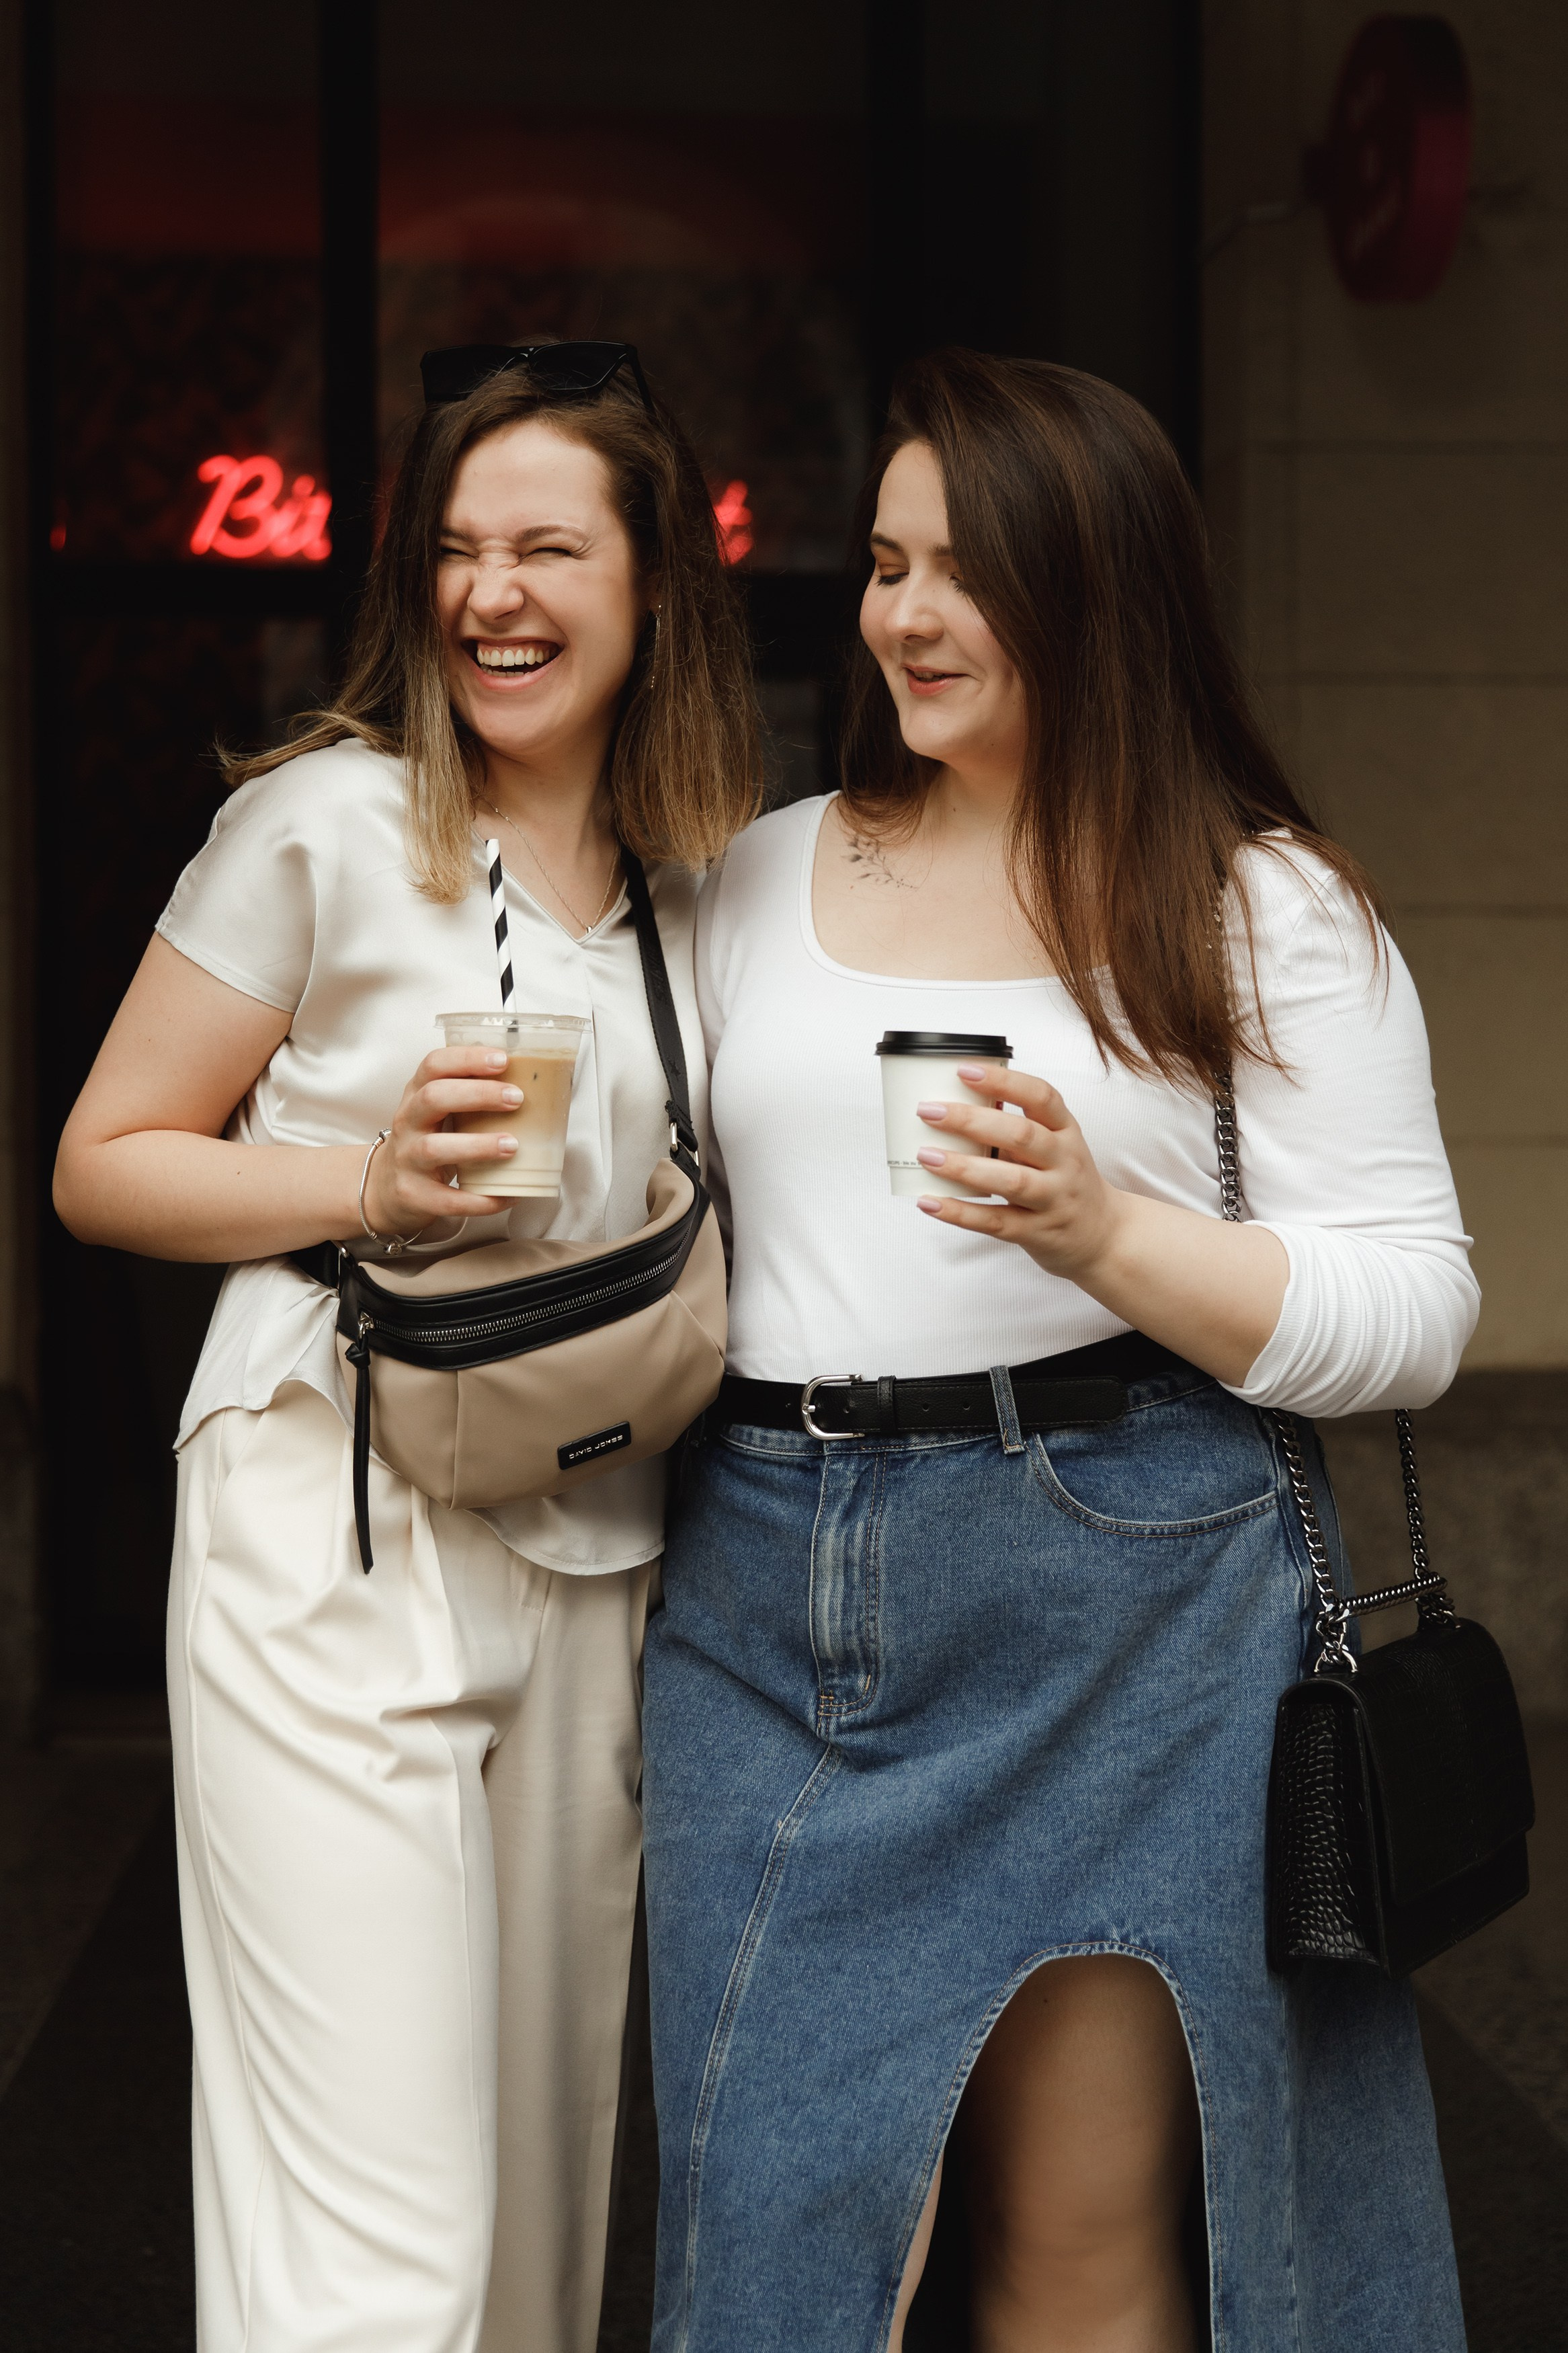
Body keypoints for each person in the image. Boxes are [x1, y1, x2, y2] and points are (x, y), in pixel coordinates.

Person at [641, 349, 1475, 2353]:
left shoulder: (1260, 904)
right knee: (770, 2235)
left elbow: (1417, 1310)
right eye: (883, 563)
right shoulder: (755, 873)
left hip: (1128, 1599)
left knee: (1080, 2241)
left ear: (1099, 590)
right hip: (765, 1587)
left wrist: (1109, 1232)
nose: (900, 616)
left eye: (960, 573)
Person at [52, 343, 756, 2353]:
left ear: (652, 584)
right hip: (327, 1520)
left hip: (592, 1538)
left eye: (547, 545)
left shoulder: (694, 885)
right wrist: (366, 1180)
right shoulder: (326, 822)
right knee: (391, 2243)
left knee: (536, 2239)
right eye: (455, 550)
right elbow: (104, 1164)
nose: (492, 594)